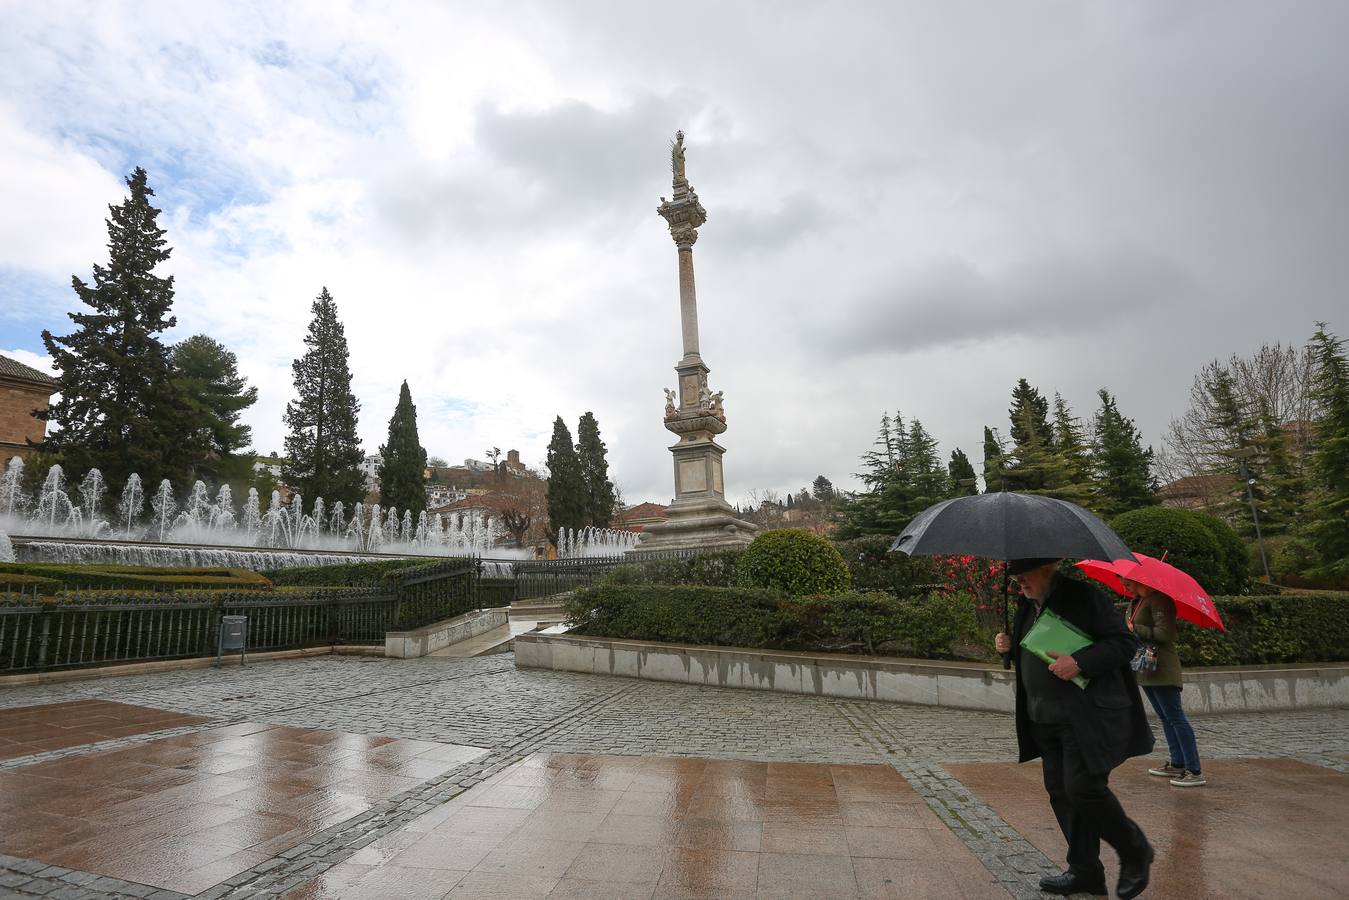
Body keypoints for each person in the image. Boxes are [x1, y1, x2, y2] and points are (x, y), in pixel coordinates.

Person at [994, 558, 1155, 899]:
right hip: (1043, 717)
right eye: (1015, 575)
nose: (1019, 580)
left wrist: (1080, 662)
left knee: (1083, 788)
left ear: (1049, 568)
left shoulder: (1083, 596)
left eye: (1025, 573)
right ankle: (1085, 871)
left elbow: (1124, 644)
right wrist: (1006, 648)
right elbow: (1030, 652)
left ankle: (1134, 850)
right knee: (1062, 793)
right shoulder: (1025, 604)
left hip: (1083, 716)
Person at [1124, 576, 1206, 787]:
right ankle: (1177, 763)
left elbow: (1165, 633)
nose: (1126, 586)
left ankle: (1194, 770)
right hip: (1146, 667)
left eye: (1129, 582)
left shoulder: (1160, 601)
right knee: (1165, 717)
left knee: (1175, 717)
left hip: (1163, 667)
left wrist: (1136, 629)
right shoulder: (1137, 601)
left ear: (1142, 581)